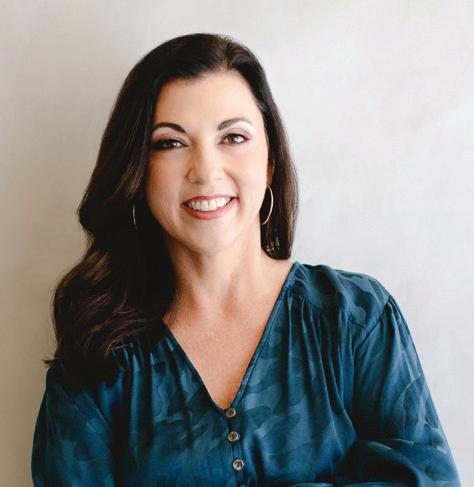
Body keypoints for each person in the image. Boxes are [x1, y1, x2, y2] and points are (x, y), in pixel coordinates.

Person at [31, 33, 461, 486]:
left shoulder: (355, 318)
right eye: (170, 143)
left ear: (270, 161)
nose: (205, 170)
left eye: (233, 137)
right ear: (138, 172)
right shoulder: (98, 350)